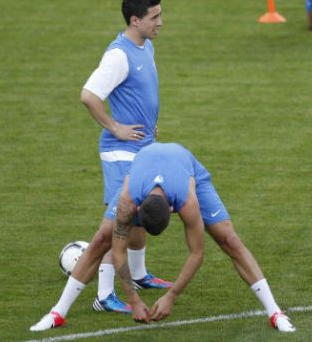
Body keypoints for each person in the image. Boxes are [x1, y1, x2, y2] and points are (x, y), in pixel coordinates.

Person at [30, 142, 296, 333]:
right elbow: (118, 250)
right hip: (144, 165)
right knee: (101, 239)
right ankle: (57, 313)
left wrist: (172, 295)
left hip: (186, 167)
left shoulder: (187, 198)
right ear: (137, 209)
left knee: (228, 240)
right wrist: (133, 299)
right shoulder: (128, 200)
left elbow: (197, 253)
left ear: (173, 210)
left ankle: (275, 312)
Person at [79, 0, 172, 315]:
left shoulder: (145, 45)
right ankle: (104, 295)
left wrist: (148, 123)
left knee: (137, 215)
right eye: (154, 17)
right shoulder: (118, 55)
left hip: (142, 146)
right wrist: (115, 127)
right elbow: (89, 95)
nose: (161, 22)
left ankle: (140, 273)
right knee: (117, 222)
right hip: (121, 152)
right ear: (135, 20)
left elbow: (139, 94)